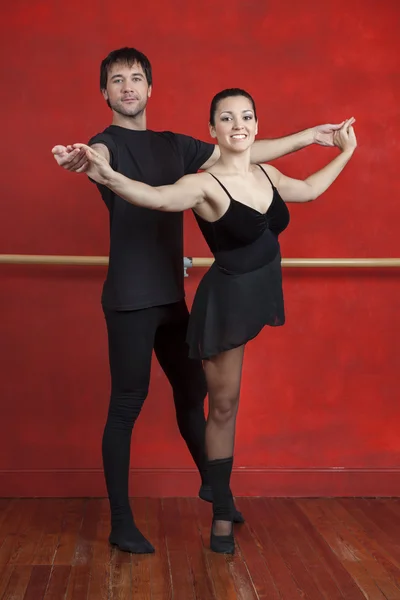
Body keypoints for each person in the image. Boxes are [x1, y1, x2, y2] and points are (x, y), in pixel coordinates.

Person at [52, 46, 348, 555]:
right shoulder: (105, 144)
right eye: (117, 80)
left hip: (171, 293)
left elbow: (243, 154)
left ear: (150, 89)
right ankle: (121, 522)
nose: (128, 87)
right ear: (104, 92)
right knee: (127, 406)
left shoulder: (175, 146)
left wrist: (312, 137)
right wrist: (90, 163)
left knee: (193, 398)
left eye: (137, 79)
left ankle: (219, 495)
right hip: (128, 298)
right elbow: (101, 162)